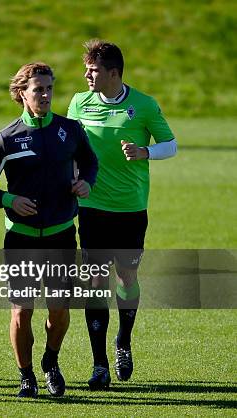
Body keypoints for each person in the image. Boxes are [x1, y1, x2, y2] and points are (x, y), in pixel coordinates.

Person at [0, 62, 98, 398]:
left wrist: (86, 182)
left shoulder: (70, 130)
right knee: (21, 310)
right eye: (37, 89)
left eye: (49, 89)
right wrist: (9, 199)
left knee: (58, 309)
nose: (44, 95)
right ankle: (26, 375)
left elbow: (90, 162)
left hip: (60, 235)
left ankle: (51, 360)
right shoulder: (7, 138)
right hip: (21, 239)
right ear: (22, 93)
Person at [67, 39, 177, 389]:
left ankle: (123, 341)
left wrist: (145, 151)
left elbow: (171, 145)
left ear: (113, 73)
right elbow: (70, 146)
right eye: (86, 68)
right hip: (92, 206)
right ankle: (99, 364)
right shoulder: (78, 102)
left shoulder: (143, 105)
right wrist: (72, 175)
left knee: (126, 277)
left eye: (94, 70)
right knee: (96, 281)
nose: (87, 75)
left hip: (131, 208)